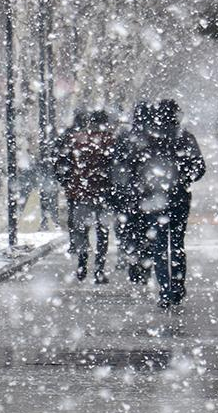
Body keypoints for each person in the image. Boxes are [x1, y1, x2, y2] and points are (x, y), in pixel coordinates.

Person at [133, 98, 205, 308]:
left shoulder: (148, 139)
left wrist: (146, 186)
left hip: (156, 199)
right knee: (177, 243)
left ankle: (165, 290)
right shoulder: (185, 138)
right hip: (180, 198)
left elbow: (135, 168)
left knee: (160, 245)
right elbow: (199, 167)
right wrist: (184, 179)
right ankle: (177, 285)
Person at [54, 109, 116, 283]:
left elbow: (61, 164)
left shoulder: (75, 140)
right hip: (104, 193)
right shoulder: (110, 141)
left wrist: (68, 183)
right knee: (102, 234)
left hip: (81, 193)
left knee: (82, 232)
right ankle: (99, 270)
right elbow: (117, 169)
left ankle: (82, 267)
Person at [111, 101, 154, 283]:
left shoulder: (125, 137)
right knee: (147, 230)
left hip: (128, 193)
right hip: (148, 194)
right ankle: (144, 265)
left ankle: (133, 263)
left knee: (129, 229)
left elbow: (116, 164)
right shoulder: (154, 137)